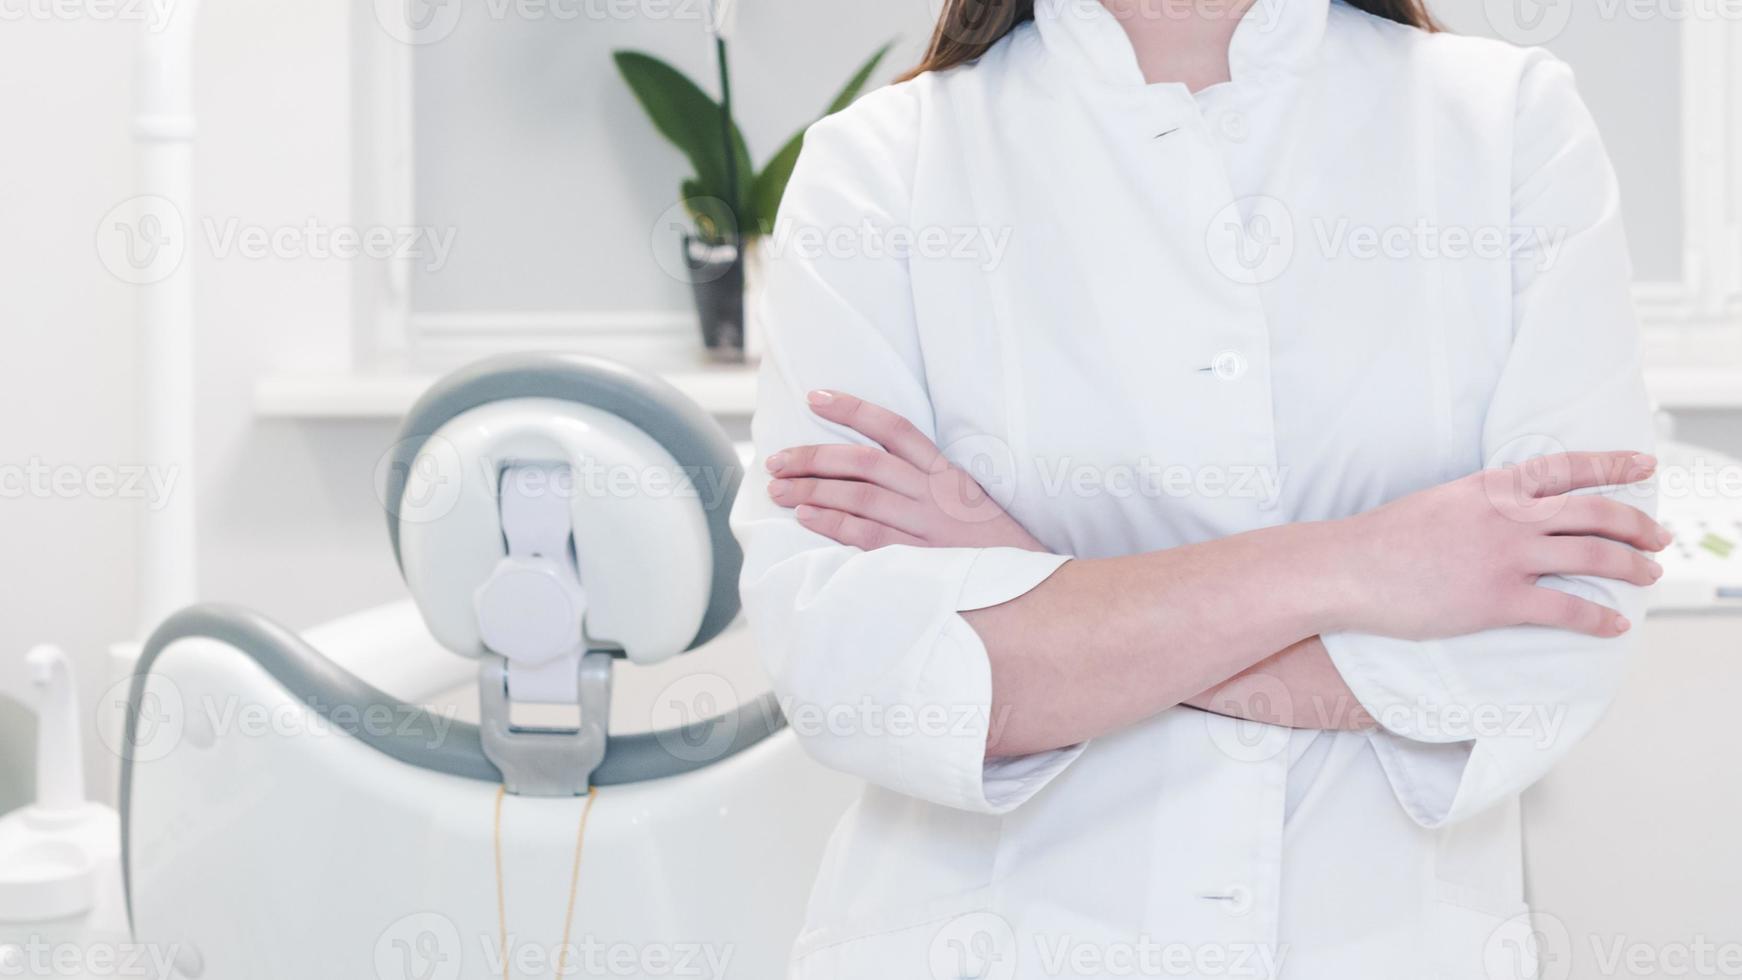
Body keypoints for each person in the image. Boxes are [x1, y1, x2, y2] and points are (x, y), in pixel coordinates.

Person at [729, 0, 1667, 975]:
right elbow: (853, 676)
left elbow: (1554, 640)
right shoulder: (880, 167)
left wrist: (1037, 593)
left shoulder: (1505, 127)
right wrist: (1362, 564)